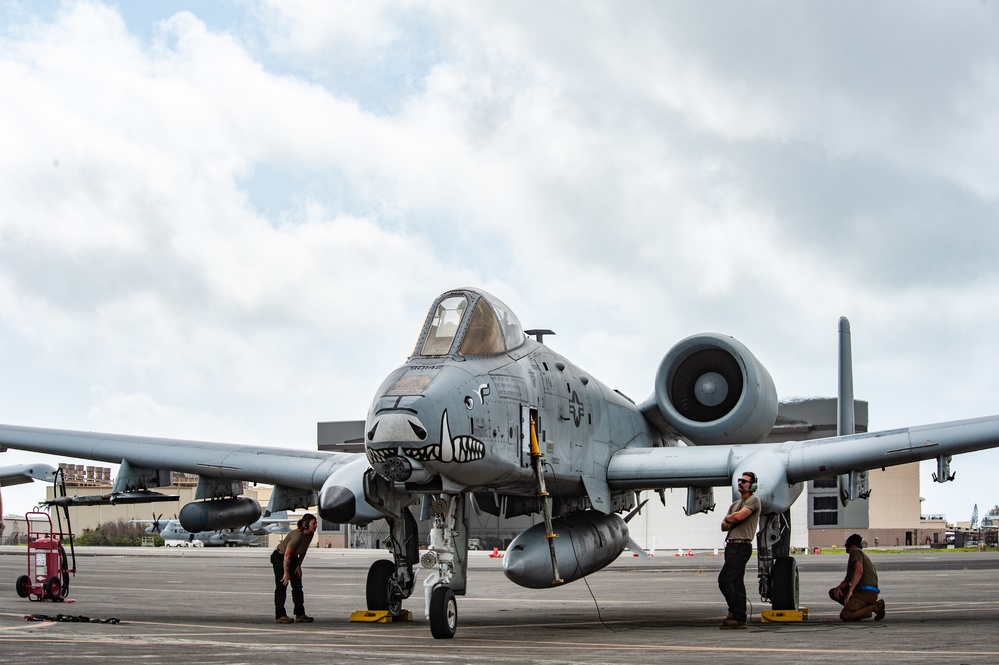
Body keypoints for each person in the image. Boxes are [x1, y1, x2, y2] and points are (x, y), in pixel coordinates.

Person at [718, 471, 762, 629]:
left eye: (744, 481)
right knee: (736, 582)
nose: (740, 483)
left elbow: (734, 518)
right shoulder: (735, 504)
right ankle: (738, 616)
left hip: (741, 546)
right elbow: (724, 526)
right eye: (739, 480)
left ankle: (735, 612)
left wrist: (732, 518)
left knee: (725, 579)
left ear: (753, 485)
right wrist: (733, 518)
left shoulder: (753, 500)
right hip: (731, 545)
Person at [271, 513, 318, 623]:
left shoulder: (310, 534)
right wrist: (286, 573)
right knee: (282, 585)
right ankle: (280, 615)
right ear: (306, 525)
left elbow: (303, 550)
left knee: (297, 586)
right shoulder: (297, 536)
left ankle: (300, 614)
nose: (316, 526)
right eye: (314, 523)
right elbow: (286, 555)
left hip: (293, 558)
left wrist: (298, 566)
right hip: (280, 557)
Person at [828, 533, 886, 621]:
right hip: (863, 591)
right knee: (833, 592)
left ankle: (874, 607)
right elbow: (847, 580)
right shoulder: (857, 555)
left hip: (866, 592)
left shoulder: (855, 552)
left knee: (845, 615)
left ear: (850, 545)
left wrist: (850, 591)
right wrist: (839, 588)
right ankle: (857, 610)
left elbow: (859, 571)